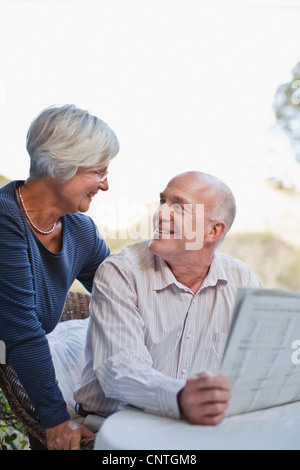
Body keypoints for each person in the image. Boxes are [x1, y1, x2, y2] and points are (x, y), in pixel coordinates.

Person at [74, 171, 262, 427]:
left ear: (213, 231)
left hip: (193, 427)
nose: (160, 213)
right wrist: (181, 399)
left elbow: (258, 367)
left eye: (180, 206)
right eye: (162, 201)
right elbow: (121, 371)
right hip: (113, 423)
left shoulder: (243, 281)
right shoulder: (121, 272)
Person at [0, 104, 119, 450]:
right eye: (99, 171)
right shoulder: (5, 220)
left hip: (21, 367)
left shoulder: (80, 230)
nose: (106, 184)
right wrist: (55, 421)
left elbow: (121, 292)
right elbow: (20, 329)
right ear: (61, 164)